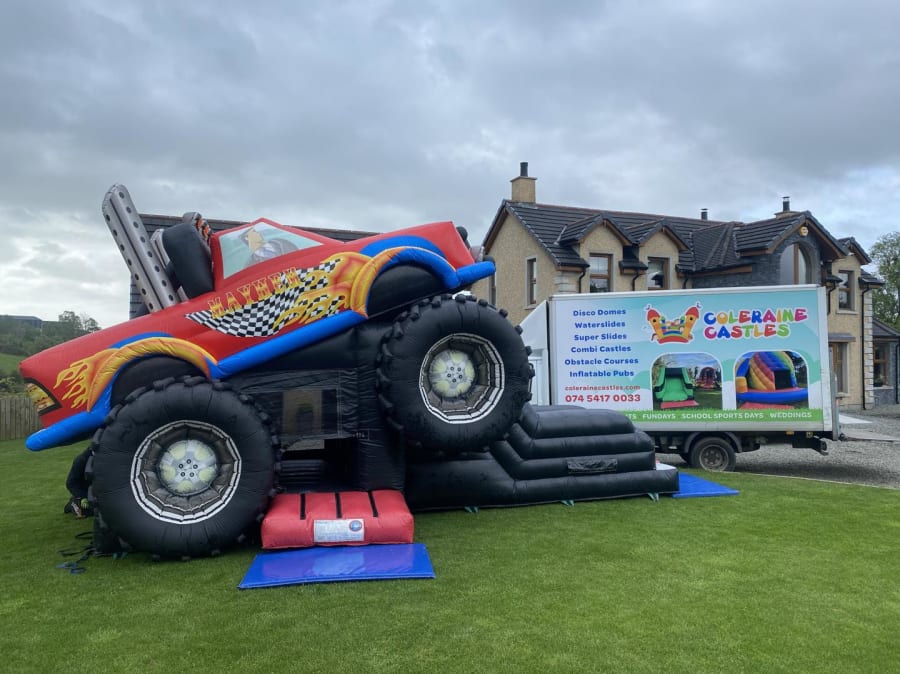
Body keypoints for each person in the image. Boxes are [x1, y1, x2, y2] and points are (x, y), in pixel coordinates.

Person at [63, 447, 93, 518]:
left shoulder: (107, 456)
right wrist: (83, 497)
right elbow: (70, 483)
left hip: (98, 488)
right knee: (86, 511)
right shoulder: (81, 460)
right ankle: (73, 503)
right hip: (84, 491)